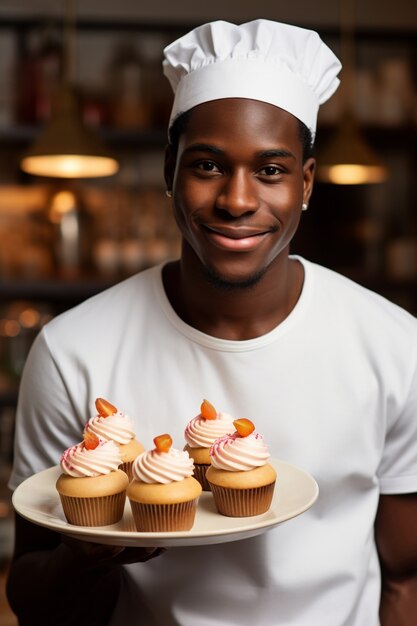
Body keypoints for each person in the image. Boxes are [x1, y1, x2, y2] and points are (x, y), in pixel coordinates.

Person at [6, 19, 417, 626]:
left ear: (306, 183)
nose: (238, 200)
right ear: (171, 171)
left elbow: (404, 580)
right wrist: (87, 555)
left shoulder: (393, 342)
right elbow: (35, 600)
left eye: (272, 171)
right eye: (208, 166)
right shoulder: (73, 351)